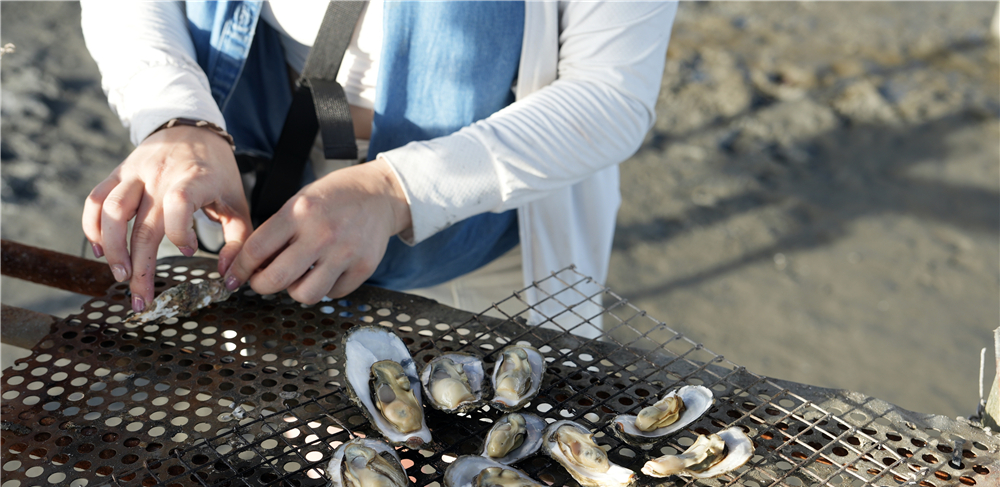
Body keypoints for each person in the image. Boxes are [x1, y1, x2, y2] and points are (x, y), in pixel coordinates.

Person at [80, 1, 677, 337]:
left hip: (477, 216)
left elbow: (610, 94)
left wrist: (394, 191)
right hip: (252, 181)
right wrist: (177, 118)